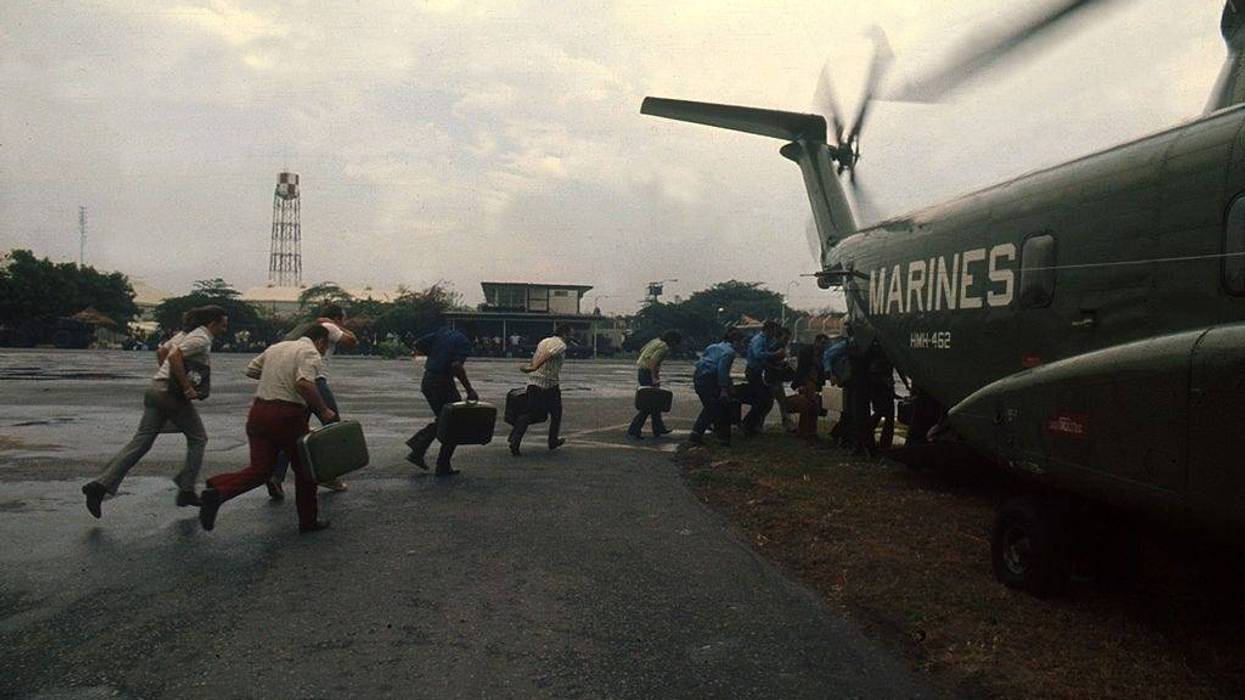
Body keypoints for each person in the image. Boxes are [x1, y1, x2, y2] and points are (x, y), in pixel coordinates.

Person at [81, 306, 228, 518]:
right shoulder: (201, 339)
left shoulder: (184, 334)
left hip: (155, 389)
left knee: (141, 442)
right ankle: (186, 488)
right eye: (223, 324)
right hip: (170, 395)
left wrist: (166, 374)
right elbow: (175, 356)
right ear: (212, 323)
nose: (225, 328)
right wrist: (184, 385)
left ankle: (100, 486)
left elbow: (162, 352)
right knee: (198, 438)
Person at [197, 325, 335, 533]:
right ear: (321, 342)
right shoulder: (310, 352)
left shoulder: (276, 348)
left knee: (260, 470)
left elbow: (251, 370)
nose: (325, 352)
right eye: (326, 347)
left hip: (259, 411)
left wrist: (276, 376)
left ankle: (218, 489)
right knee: (306, 470)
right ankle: (308, 521)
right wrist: (324, 411)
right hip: (288, 415)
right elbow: (305, 384)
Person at [267, 304, 358, 500]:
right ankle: (328, 475)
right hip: (315, 380)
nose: (345, 323)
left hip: (295, 379)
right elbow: (352, 342)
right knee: (332, 427)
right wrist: (337, 326)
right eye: (344, 319)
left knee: (295, 431)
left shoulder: (306, 327)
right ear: (336, 318)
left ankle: (276, 475)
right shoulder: (330, 327)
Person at [405, 318, 478, 476]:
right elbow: (456, 366)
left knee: (444, 419)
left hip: (428, 380)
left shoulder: (443, 333)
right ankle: (441, 463)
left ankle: (418, 448)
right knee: (454, 422)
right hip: (442, 382)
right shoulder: (464, 341)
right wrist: (469, 390)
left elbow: (417, 344)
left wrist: (435, 356)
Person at [509, 324, 571, 455]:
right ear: (565, 334)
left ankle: (516, 437)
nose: (571, 337)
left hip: (534, 382)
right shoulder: (561, 344)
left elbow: (538, 355)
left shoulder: (544, 341)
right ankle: (551, 440)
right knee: (555, 413)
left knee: (530, 412)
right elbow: (548, 355)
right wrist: (534, 367)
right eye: (570, 334)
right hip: (548, 383)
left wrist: (532, 367)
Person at [688, 330, 745, 446]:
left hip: (699, 377)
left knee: (711, 407)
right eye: (741, 342)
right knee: (717, 408)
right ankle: (719, 438)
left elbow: (701, 362)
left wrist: (729, 384)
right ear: (735, 341)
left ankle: (700, 435)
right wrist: (724, 389)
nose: (742, 345)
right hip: (710, 379)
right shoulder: (730, 353)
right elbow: (722, 371)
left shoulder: (713, 346)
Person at [627, 330, 682, 439]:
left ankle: (658, 428)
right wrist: (654, 378)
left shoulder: (655, 341)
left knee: (655, 402)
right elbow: (653, 362)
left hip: (642, 370)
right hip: (647, 372)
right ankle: (634, 429)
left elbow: (642, 350)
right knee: (649, 404)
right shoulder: (664, 347)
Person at [742, 320, 784, 435]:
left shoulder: (766, 340)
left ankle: (752, 424)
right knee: (762, 399)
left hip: (758, 371)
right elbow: (758, 354)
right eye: (774, 331)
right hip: (753, 372)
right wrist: (774, 354)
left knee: (766, 399)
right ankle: (748, 424)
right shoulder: (759, 340)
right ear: (769, 329)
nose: (774, 333)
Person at [791, 333, 830, 438]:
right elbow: (802, 369)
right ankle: (804, 430)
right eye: (822, 343)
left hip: (815, 382)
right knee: (807, 406)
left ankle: (811, 430)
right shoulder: (807, 352)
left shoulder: (823, 354)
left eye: (825, 344)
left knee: (815, 407)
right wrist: (802, 384)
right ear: (816, 342)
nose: (824, 346)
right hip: (807, 381)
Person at [765, 327, 796, 432]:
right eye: (785, 338)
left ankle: (787, 422)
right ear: (779, 337)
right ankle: (787, 423)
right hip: (773, 378)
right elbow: (768, 362)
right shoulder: (775, 347)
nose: (787, 341)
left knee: (777, 402)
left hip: (775, 378)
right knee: (779, 402)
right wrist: (779, 366)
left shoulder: (778, 346)